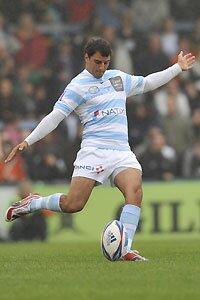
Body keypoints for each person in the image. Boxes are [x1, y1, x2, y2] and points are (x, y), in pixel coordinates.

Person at [4, 37, 195, 261]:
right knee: (73, 204)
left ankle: (125, 248)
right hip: (94, 151)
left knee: (135, 191)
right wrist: (28, 140)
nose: (102, 67)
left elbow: (147, 83)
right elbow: (55, 117)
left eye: (105, 62)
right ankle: (33, 203)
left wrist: (177, 68)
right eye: (97, 62)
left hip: (121, 151)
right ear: (86, 57)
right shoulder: (77, 86)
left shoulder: (117, 78)